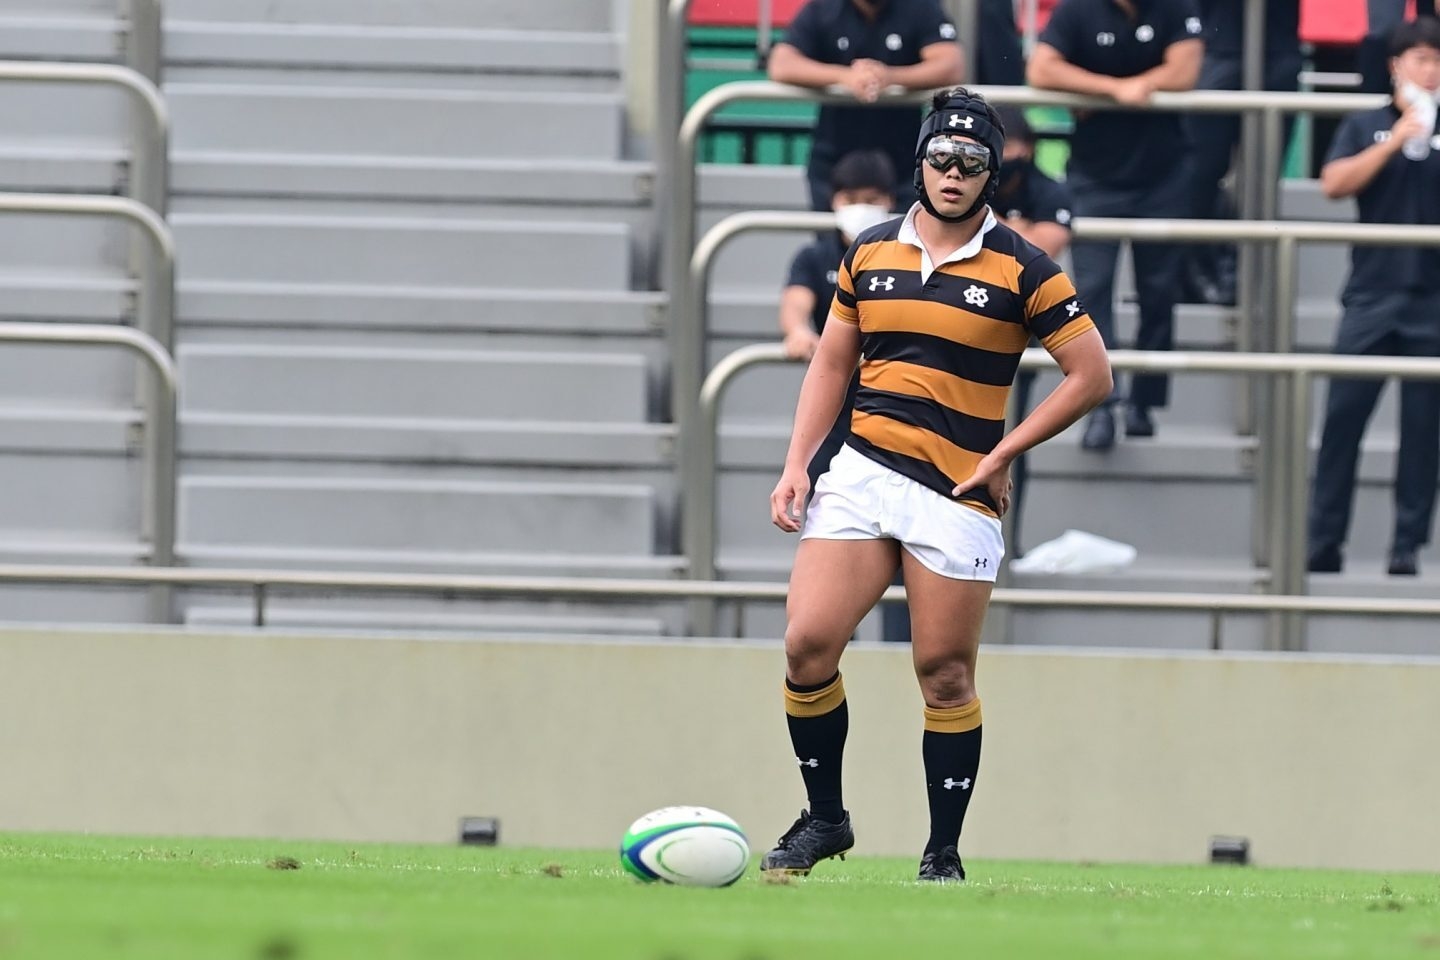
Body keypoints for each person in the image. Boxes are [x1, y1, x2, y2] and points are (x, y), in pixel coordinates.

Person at [760, 87, 1112, 882]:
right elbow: (831, 363)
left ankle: (941, 851)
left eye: (971, 161)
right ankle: (826, 818)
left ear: (993, 173)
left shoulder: (1025, 266)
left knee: (945, 672)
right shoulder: (869, 250)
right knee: (807, 643)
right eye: (942, 157)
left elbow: (1091, 375)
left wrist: (1006, 451)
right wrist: (796, 463)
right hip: (862, 470)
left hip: (957, 488)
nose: (954, 173)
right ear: (920, 162)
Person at [1027, 0, 1204, 450]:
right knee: (1092, 291)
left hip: (1165, 174)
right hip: (1095, 175)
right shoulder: (1077, 10)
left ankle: (1144, 401)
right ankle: (1100, 406)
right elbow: (1042, 69)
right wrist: (1114, 89)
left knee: (1159, 292)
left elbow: (1185, 70)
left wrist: (1139, 85)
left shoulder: (1174, 7)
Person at [1307, 17, 1440, 578]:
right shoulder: (1367, 124)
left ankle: (1406, 546)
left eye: (1438, 61)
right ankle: (1322, 543)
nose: (1430, 71)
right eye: (1421, 59)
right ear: (1395, 66)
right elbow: (1334, 183)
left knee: (1424, 432)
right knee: (1342, 423)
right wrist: (1401, 136)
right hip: (1371, 296)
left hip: (1433, 303)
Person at [768, 0, 964, 211]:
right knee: (832, 231)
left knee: (906, 230)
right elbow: (781, 64)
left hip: (904, 157)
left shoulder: (921, 6)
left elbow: (951, 65)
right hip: (835, 153)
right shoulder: (823, 8)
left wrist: (890, 77)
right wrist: (844, 77)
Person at [991, 106, 1076, 556]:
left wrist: (994, 231)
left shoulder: (1048, 189)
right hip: (955, 333)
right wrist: (1016, 231)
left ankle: (1006, 544)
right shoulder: (963, 183)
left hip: (1016, 336)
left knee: (1011, 445)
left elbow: (1043, 249)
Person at [1181, 0, 1302, 308]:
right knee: (1200, 170)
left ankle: (1243, 274)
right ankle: (1197, 268)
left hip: (1277, 46)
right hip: (1216, 43)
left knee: (1263, 174)